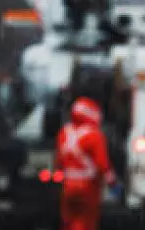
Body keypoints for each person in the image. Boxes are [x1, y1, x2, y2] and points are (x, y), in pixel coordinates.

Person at [56, 97, 119, 230]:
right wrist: (113, 184)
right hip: (88, 187)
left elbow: (59, 161)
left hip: (67, 187)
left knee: (68, 222)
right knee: (86, 223)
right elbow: (102, 164)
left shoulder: (64, 133)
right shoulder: (95, 135)